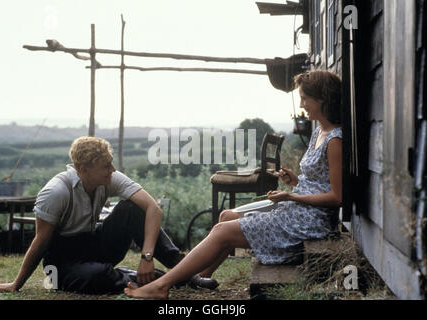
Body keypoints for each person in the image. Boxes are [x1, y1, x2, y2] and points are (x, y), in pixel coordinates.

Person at [124, 70, 343, 299]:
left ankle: (161, 286)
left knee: (221, 231)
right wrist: (295, 181)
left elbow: (337, 197)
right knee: (226, 217)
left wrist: (292, 197)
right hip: (298, 211)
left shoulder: (335, 140)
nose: (301, 105)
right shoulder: (319, 131)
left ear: (321, 98)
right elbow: (318, 182)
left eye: (305, 98)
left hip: (310, 221)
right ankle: (197, 278)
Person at [0, 136, 215, 294]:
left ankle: (186, 273)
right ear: (83, 170)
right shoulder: (56, 192)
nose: (112, 170)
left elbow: (153, 208)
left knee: (132, 208)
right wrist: (16, 284)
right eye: (106, 166)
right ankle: (154, 279)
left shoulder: (108, 177)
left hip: (95, 243)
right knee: (97, 277)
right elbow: (41, 241)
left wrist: (146, 256)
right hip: (63, 260)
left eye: (111, 163)